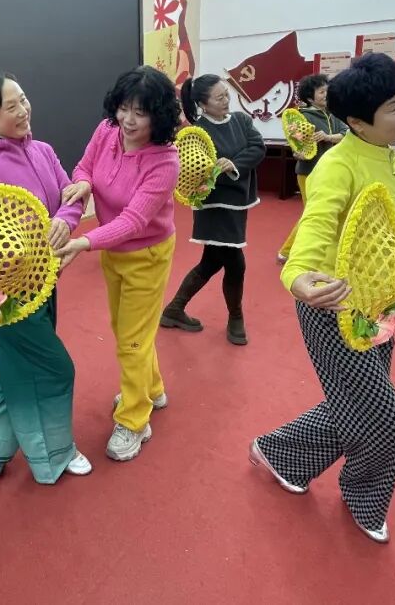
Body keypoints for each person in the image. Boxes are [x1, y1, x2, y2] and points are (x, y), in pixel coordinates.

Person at [249, 53, 395, 544]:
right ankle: (363, 494)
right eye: (394, 107)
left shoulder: (390, 158)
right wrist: (298, 277)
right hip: (333, 305)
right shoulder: (338, 165)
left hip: (379, 301)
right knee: (387, 419)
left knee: (356, 402)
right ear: (357, 121)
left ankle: (281, 453)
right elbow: (316, 224)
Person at [0, 72, 92, 484]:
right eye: (11, 107)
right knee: (55, 369)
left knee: (20, 373)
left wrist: (64, 221)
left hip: (43, 283)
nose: (23, 111)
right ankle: (54, 456)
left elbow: (71, 195)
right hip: (4, 295)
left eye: (23, 100)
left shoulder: (43, 151)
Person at [55, 66, 181, 462]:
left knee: (131, 340)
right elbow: (84, 167)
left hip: (147, 254)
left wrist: (84, 242)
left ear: (158, 116)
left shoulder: (165, 161)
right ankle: (152, 388)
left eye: (140, 113)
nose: (128, 120)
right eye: (124, 108)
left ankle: (134, 419)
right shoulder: (107, 130)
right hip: (113, 250)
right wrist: (84, 183)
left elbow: (133, 222)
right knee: (129, 331)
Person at [160, 74, 266, 345]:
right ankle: (236, 318)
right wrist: (216, 170)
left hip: (237, 202)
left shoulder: (241, 120)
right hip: (214, 205)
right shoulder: (197, 133)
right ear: (203, 104)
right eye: (219, 98)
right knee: (235, 263)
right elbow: (195, 171)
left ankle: (174, 309)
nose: (226, 100)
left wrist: (233, 164)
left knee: (211, 262)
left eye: (226, 94)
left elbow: (257, 147)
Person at [277, 73, 349, 262]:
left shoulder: (333, 114)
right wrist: (298, 153)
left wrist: (327, 137)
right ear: (310, 97)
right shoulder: (301, 117)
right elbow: (297, 146)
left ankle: (324, 251)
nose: (326, 95)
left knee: (326, 212)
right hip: (309, 173)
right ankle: (286, 251)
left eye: (327, 91)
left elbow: (346, 134)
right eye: (321, 92)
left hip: (331, 172)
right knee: (313, 213)